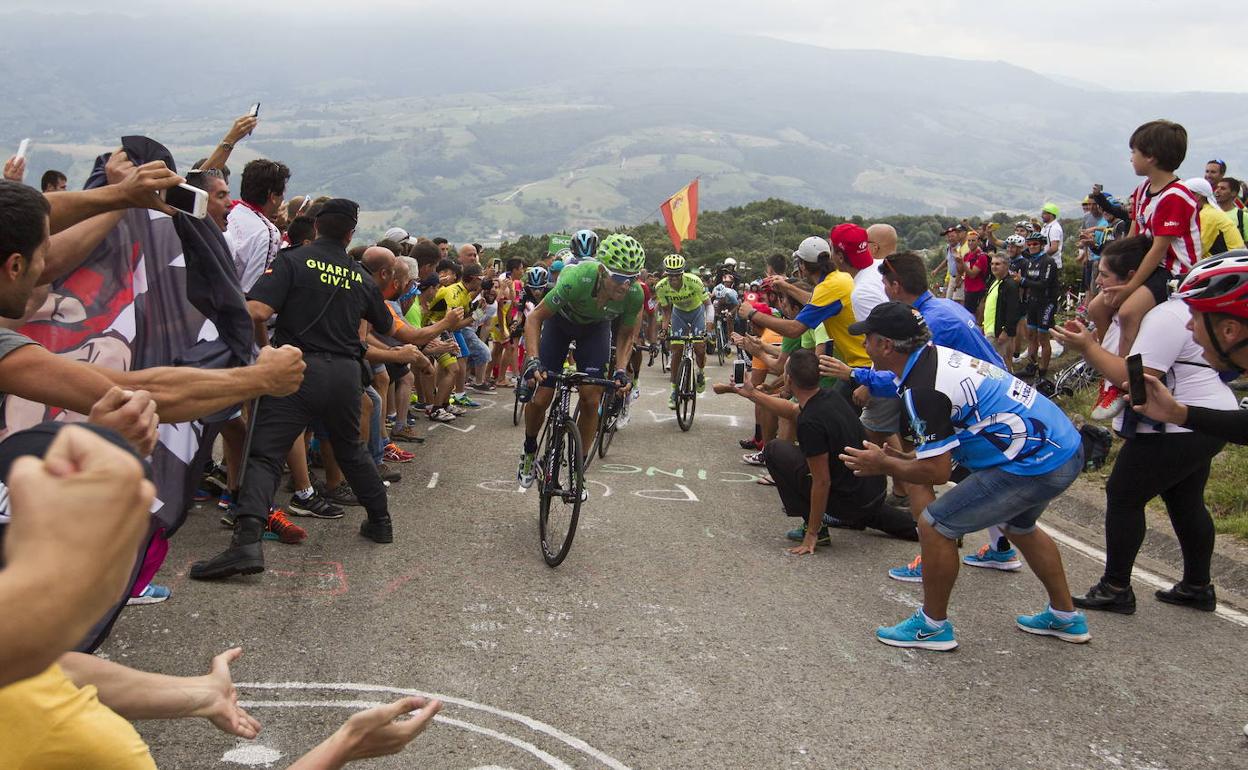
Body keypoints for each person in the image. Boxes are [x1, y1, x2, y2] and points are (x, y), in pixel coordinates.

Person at [189, 199, 463, 580]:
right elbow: (405, 333)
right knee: (350, 450)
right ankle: (380, 520)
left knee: (265, 454)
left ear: (316, 226)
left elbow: (256, 312)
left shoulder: (291, 261)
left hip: (296, 370)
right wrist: (443, 325)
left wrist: (265, 352)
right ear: (350, 233)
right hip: (345, 375)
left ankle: (246, 543)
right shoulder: (360, 278)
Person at [839, 302, 1089, 651]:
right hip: (1063, 447)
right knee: (1019, 526)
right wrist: (909, 457)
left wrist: (885, 465)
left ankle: (932, 626)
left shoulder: (922, 388)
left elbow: (937, 472)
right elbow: (946, 440)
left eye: (868, 338)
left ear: (886, 346)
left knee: (935, 524)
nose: (864, 345)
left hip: (1035, 463)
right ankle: (1066, 618)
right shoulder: (932, 357)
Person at [1051, 237, 1235, 614]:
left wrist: (1086, 347)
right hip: (1208, 418)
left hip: (1179, 423)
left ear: (1132, 277)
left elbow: (1135, 379)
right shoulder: (1162, 309)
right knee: (1184, 499)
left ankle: (1115, 587)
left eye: (1103, 275)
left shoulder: (1167, 315)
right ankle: (1197, 586)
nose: (1098, 282)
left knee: (1123, 495)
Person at [715, 348, 916, 550]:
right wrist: (752, 394)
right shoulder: (829, 396)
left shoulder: (811, 422)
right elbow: (793, 410)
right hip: (872, 493)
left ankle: (818, 527)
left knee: (775, 451)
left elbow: (821, 481)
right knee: (909, 526)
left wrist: (812, 533)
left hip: (853, 502)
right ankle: (917, 528)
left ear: (789, 380)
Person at [1087, 120, 1201, 419]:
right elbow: (1137, 236)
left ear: (1151, 156)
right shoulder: (1142, 190)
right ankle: (1107, 366)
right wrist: (1116, 268)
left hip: (1173, 272)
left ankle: (1124, 382)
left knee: (1127, 311)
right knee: (1097, 306)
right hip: (1145, 264)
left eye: (1134, 152)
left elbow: (1160, 248)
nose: (1131, 158)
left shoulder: (1176, 196)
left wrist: (1131, 286)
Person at [516, 234, 645, 488]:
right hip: (559, 324)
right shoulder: (576, 278)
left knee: (591, 398)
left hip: (595, 329)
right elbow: (534, 319)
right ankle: (530, 451)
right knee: (541, 397)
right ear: (601, 270)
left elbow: (625, 335)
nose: (624, 286)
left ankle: (578, 469)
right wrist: (533, 361)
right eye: (619, 278)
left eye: (631, 279)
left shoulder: (634, 294)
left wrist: (620, 370)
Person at [655, 254, 712, 408]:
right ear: (666, 273)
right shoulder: (661, 287)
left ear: (682, 273)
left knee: (700, 348)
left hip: (697, 312)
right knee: (676, 351)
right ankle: (674, 390)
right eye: (670, 275)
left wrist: (709, 328)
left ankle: (700, 372)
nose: (673, 278)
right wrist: (664, 330)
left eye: (677, 275)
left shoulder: (694, 281)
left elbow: (708, 305)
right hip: (678, 314)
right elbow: (666, 312)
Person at [227, 158, 289, 292]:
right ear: (272, 196)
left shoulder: (228, 212)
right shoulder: (268, 233)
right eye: (282, 193)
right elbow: (255, 290)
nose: (283, 198)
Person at [1019, 232, 1060, 382]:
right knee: (1031, 336)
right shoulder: (1030, 261)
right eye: (1029, 244)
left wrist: (1022, 281)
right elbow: (1030, 281)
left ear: (1042, 245)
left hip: (1046, 302)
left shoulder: (1048, 261)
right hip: (1033, 302)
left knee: (1043, 338)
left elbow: (1043, 284)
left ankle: (1043, 373)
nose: (1031, 247)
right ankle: (1032, 366)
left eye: (1035, 244)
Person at [1184, 177, 1245, 257]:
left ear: (1198, 196)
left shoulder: (1208, 215)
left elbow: (1196, 249)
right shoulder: (1205, 212)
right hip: (1225, 262)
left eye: (1185, 194)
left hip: (1230, 264)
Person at [983, 254, 1023, 370]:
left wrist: (1006, 331)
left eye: (997, 264)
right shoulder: (995, 282)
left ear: (1006, 266)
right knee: (997, 362)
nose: (994, 267)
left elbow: (1013, 311)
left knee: (999, 364)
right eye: (992, 264)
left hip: (998, 332)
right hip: (989, 329)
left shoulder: (1010, 285)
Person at [961, 230, 989, 318]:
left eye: (973, 240)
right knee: (968, 315)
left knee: (976, 317)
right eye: (969, 241)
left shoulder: (981, 256)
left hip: (978, 289)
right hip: (968, 289)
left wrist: (961, 262)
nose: (970, 243)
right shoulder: (966, 255)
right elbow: (961, 271)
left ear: (978, 241)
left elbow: (972, 274)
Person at [1214, 177, 1248, 243]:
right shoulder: (1208, 213)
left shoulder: (1243, 216)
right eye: (1217, 187)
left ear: (1233, 193)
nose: (1217, 191)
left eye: (1223, 188)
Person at [1039, 203, 1064, 268]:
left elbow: (1054, 248)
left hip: (1052, 264)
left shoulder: (1054, 228)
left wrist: (1041, 258)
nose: (1041, 215)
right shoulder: (1046, 226)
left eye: (1044, 213)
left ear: (1051, 215)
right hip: (1046, 263)